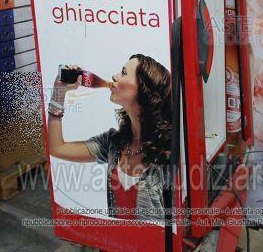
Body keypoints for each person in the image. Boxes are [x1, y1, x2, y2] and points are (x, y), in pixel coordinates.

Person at [47, 54, 171, 222]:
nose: (114, 76)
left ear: (144, 90)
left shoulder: (168, 154)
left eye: (124, 72)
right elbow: (57, 148)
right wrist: (58, 94)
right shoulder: (113, 143)